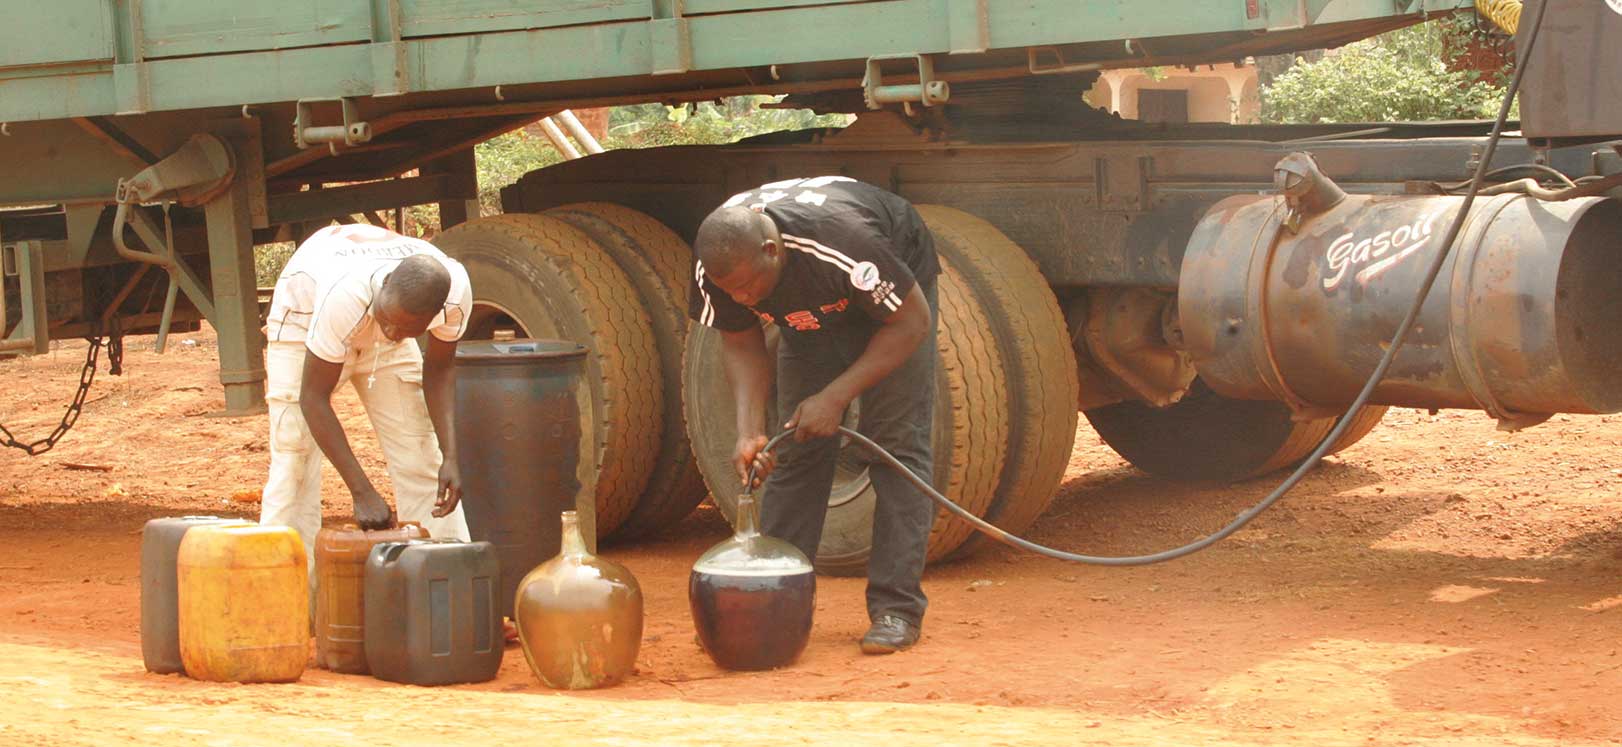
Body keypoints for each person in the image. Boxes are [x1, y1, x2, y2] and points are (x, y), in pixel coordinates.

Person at [688, 176, 940, 654]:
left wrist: (835, 396)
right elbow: (740, 342)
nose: (742, 299)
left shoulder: (845, 243)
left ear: (771, 251)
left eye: (748, 287)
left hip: (890, 294)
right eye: (730, 291)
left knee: (896, 445)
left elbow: (912, 323)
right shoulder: (719, 264)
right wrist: (749, 432)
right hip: (809, 309)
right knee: (798, 445)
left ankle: (896, 609)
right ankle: (776, 602)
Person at [260, 223, 472, 574]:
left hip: (382, 310)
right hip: (305, 320)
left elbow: (439, 369)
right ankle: (286, 593)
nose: (390, 333)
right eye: (388, 322)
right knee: (294, 462)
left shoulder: (453, 293)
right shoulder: (346, 294)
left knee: (421, 456)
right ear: (385, 284)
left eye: (405, 330)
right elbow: (312, 398)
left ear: (432, 316)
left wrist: (450, 456)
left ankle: (442, 583)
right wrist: (361, 491)